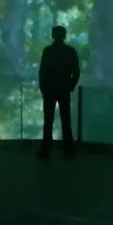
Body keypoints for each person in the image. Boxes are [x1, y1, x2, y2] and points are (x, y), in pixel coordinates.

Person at [37, 25, 80, 158]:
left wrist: (43, 87)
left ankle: (46, 149)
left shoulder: (48, 51)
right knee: (66, 120)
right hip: (64, 89)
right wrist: (70, 86)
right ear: (64, 35)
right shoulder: (70, 51)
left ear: (53, 35)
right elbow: (76, 71)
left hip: (50, 90)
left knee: (48, 121)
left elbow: (42, 71)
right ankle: (68, 149)